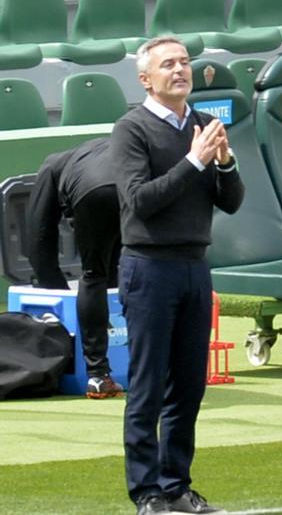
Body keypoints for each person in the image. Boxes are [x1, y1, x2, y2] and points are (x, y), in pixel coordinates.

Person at [113, 36, 244, 515]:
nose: (181, 70)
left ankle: (176, 485)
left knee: (189, 385)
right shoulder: (132, 130)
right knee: (148, 384)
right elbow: (141, 200)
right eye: (168, 64)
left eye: (185, 62)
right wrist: (195, 161)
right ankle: (146, 491)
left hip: (194, 265)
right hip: (149, 267)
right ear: (146, 78)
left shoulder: (205, 126)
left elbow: (230, 200)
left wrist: (224, 162)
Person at [26, 138, 123, 399]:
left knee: (93, 274)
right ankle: (160, 366)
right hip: (139, 184)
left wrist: (57, 292)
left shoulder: (52, 165)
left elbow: (38, 240)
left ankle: (98, 375)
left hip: (93, 191)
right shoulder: (103, 149)